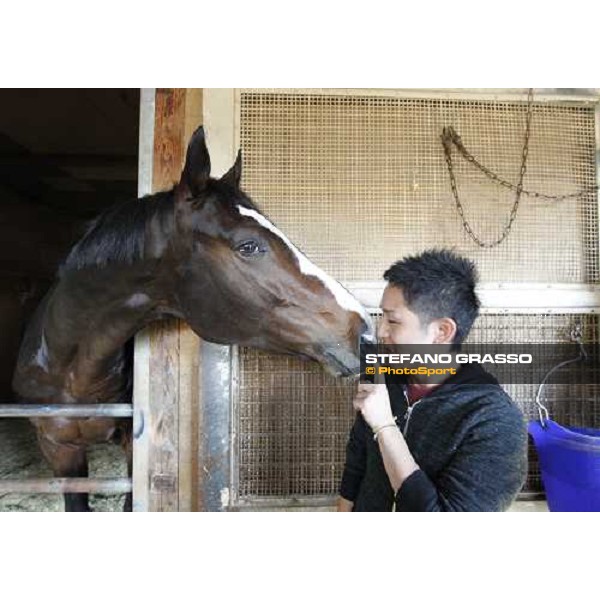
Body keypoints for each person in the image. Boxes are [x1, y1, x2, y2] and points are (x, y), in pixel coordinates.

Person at [338, 249, 528, 512]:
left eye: (393, 320)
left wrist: (384, 425)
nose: (381, 331)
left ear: (441, 331)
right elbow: (358, 456)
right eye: (382, 316)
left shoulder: (494, 421)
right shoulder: (385, 376)